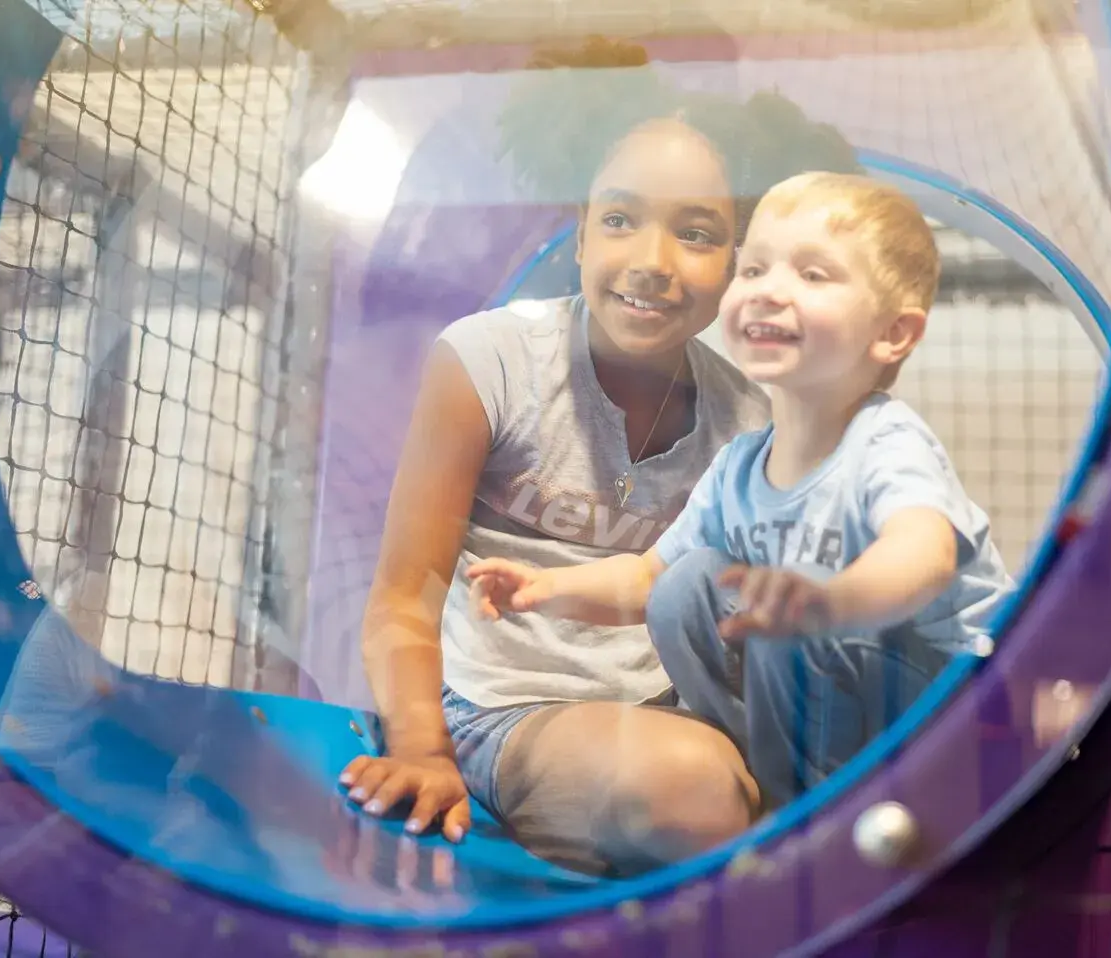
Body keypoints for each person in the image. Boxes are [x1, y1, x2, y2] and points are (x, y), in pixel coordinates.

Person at [338, 38, 861, 876]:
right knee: (692, 789)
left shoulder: (750, 420)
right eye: (620, 219)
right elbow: (403, 600)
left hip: (671, 709)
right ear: (580, 235)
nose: (651, 262)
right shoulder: (491, 361)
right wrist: (424, 748)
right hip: (501, 710)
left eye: (696, 233)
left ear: (735, 264)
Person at [469, 172, 1016, 810]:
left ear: (893, 334)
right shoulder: (740, 464)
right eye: (753, 270)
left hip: (954, 706)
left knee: (784, 618)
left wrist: (829, 602)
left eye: (812, 276)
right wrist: (546, 588)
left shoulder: (885, 442)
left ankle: (830, 809)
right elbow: (647, 580)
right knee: (687, 585)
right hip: (833, 684)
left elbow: (924, 556)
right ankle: (769, 774)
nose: (768, 292)